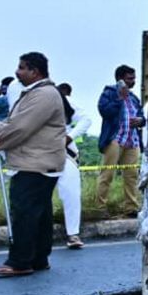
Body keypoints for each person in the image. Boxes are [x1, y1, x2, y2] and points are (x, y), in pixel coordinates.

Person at [0, 52, 66, 277]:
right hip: (41, 161)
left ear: (35, 71)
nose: (17, 72)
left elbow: (20, 128)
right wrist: (2, 127)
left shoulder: (43, 95)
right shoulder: (40, 93)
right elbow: (15, 122)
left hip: (35, 162)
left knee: (24, 213)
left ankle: (19, 262)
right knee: (39, 213)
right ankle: (39, 259)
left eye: (22, 68)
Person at [97, 65, 144, 211]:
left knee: (132, 176)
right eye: (130, 78)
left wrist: (141, 121)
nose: (133, 81)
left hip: (132, 140)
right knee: (107, 174)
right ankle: (100, 208)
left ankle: (131, 208)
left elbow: (142, 116)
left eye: (134, 78)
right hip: (115, 139)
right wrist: (119, 99)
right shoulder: (109, 93)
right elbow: (104, 111)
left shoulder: (134, 98)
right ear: (120, 79)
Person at [56, 82, 92, 248]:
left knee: (71, 193)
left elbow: (86, 119)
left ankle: (73, 234)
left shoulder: (64, 101)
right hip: (38, 154)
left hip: (65, 154)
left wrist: (69, 137)